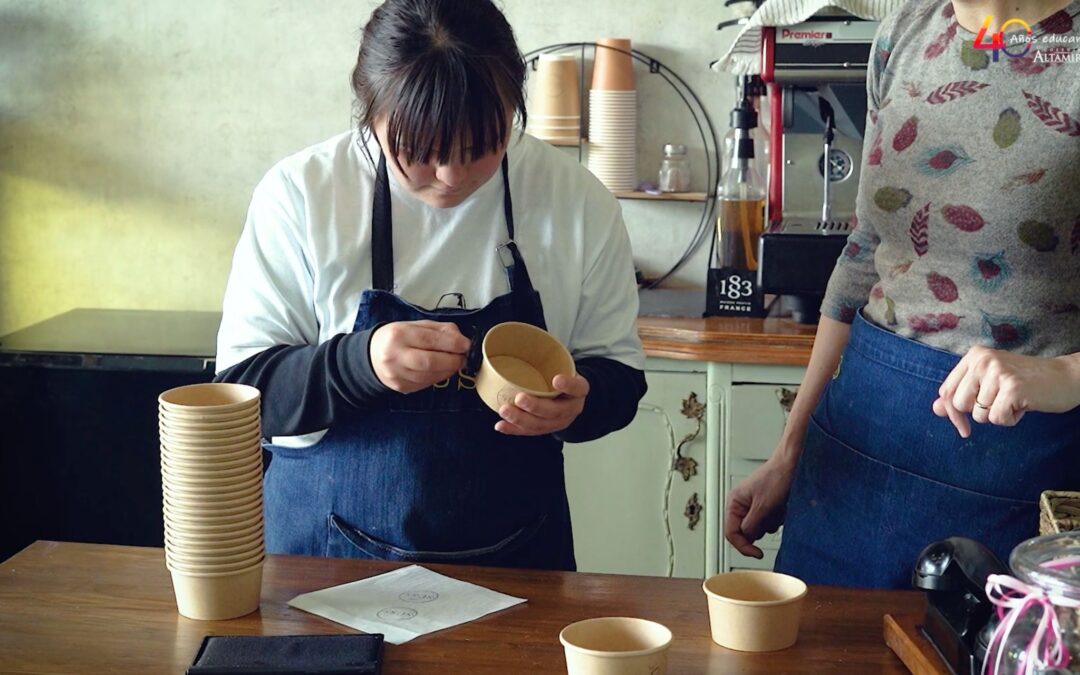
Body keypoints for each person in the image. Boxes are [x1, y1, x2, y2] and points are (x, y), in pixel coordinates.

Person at [213, 0, 646, 571]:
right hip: (326, 564)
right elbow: (242, 395)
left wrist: (578, 404)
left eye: (480, 150)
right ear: (371, 112)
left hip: (518, 558)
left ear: (513, 107)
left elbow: (619, 377)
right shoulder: (302, 195)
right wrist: (358, 363)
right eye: (418, 154)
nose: (450, 178)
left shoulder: (577, 201)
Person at [725, 0, 1080, 588]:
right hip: (854, 446)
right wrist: (792, 448)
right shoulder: (907, 31)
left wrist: (1065, 376)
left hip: (1015, 465)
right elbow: (865, 249)